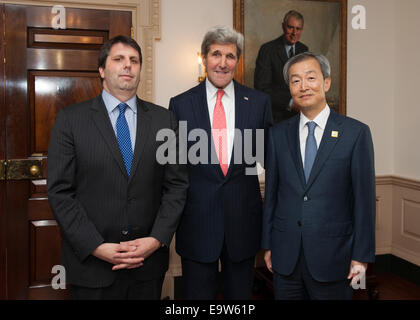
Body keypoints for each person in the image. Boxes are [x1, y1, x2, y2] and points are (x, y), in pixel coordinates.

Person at [47, 35, 188, 300]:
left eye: (134, 61)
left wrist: (156, 239)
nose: (128, 66)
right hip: (91, 266)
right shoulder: (70, 120)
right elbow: (60, 192)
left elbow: (176, 186)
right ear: (101, 70)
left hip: (147, 265)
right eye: (119, 59)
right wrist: (96, 246)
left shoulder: (164, 120)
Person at [169, 25, 273, 299]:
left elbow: (269, 162)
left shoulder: (259, 103)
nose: (223, 63)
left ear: (237, 61)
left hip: (243, 225)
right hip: (196, 225)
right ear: (204, 57)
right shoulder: (180, 105)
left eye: (230, 56)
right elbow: (174, 171)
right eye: (216, 54)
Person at [262, 52, 376, 300]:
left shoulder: (355, 134)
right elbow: (272, 194)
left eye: (310, 78)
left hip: (335, 259)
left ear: (326, 83)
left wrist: (361, 257)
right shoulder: (277, 135)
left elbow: (364, 201)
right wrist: (268, 244)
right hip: (286, 257)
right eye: (295, 80)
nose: (303, 86)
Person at [254, 10, 308, 123]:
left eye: (298, 29)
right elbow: (261, 88)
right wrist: (290, 103)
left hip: (299, 119)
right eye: (290, 27)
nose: (294, 32)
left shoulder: (304, 50)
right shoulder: (267, 50)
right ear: (283, 27)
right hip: (275, 118)